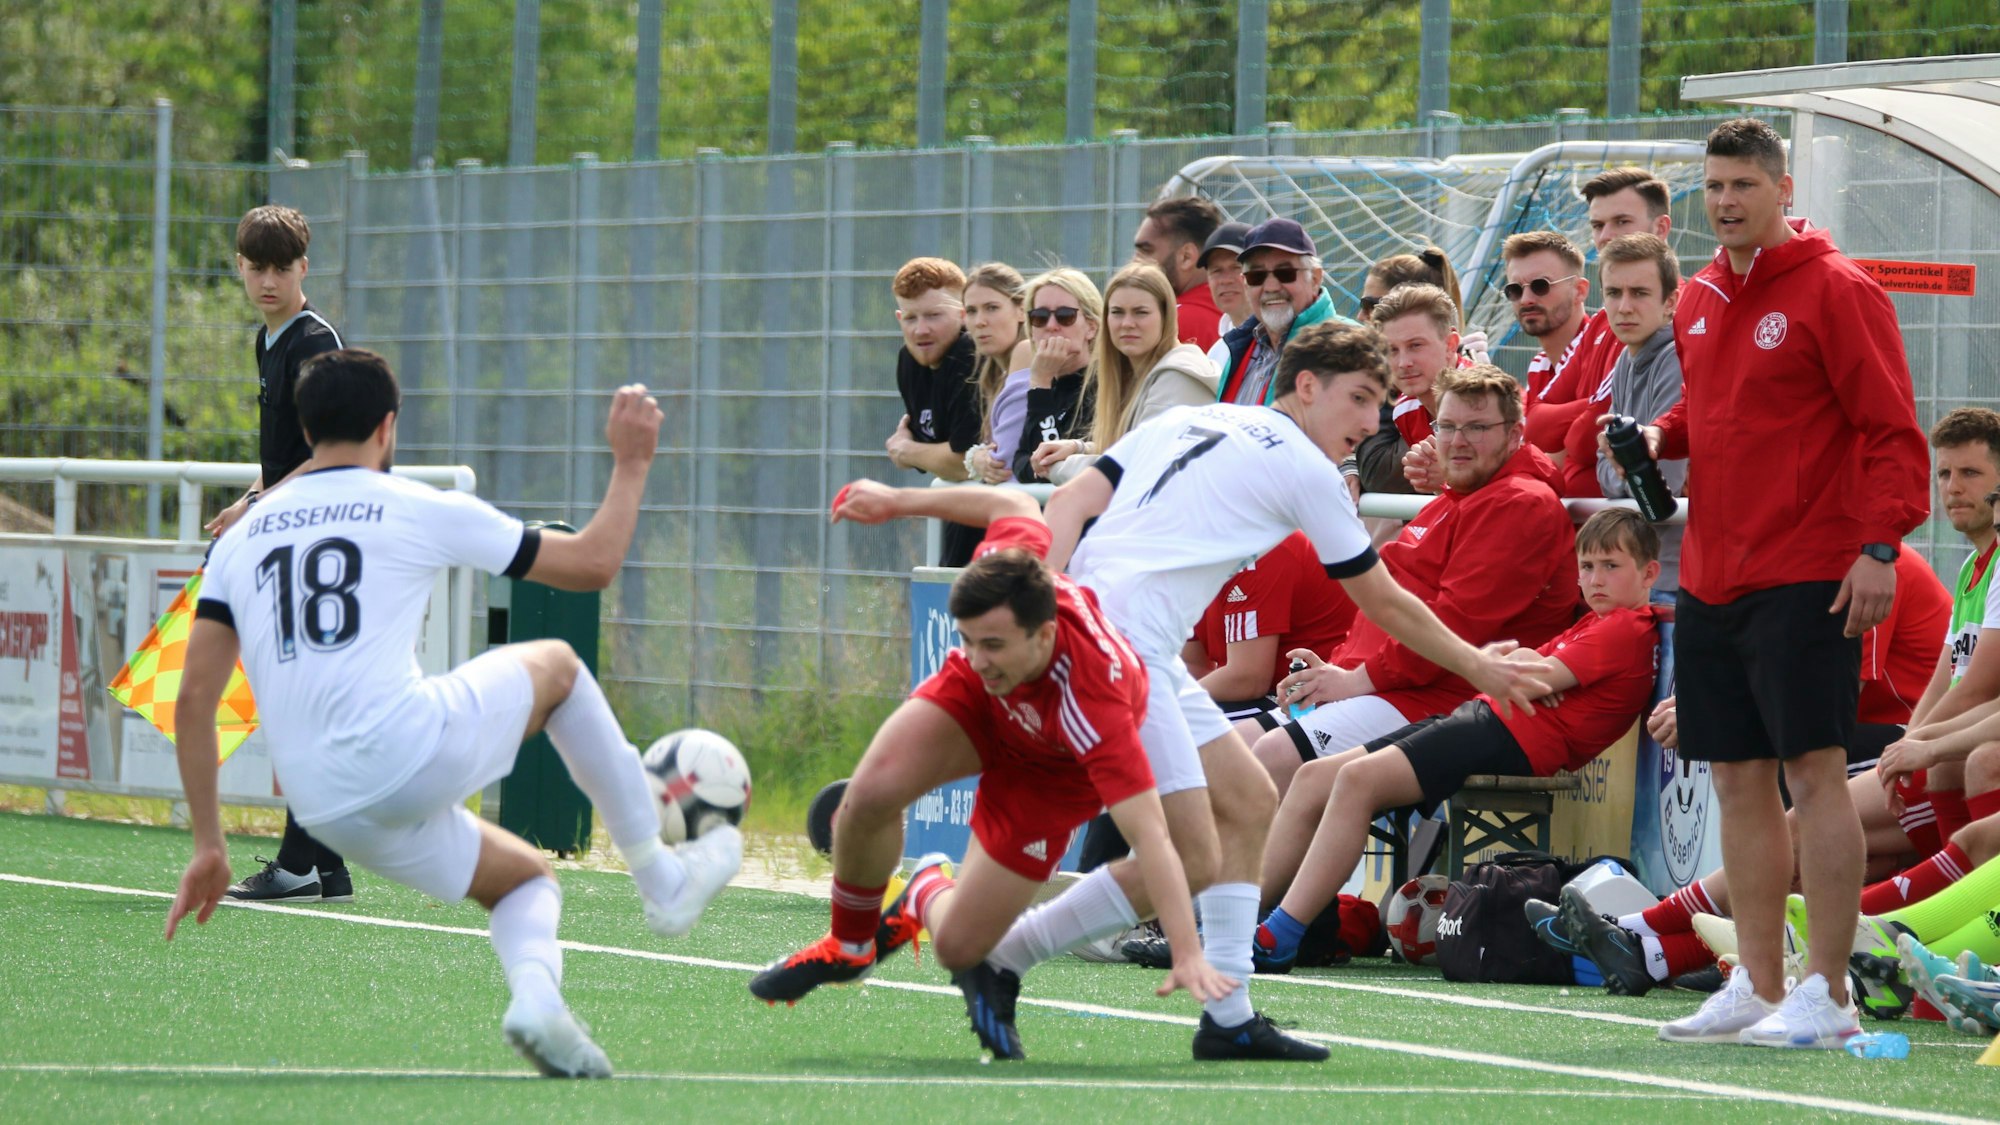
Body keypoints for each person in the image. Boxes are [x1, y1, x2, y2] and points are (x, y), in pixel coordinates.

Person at [957, 322, 1553, 1061]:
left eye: (1380, 403)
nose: (1371, 422)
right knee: (1203, 840)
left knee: (1245, 802)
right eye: (1361, 398)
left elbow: (1073, 498)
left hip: (1117, 637)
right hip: (1124, 648)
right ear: (1306, 387)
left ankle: (1221, 1009)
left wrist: (1046, 590)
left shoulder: (1187, 416)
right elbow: (1386, 604)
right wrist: (1482, 666)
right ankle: (1011, 954)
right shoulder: (1307, 470)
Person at [163, 351, 743, 1078]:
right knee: (558, 665)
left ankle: (540, 1003)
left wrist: (209, 843)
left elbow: (193, 699)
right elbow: (592, 563)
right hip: (400, 750)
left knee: (526, 880)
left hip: (322, 803)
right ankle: (660, 878)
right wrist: (632, 462)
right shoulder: (411, 503)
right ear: (388, 426)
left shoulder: (241, 537)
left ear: (306, 430)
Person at [1623, 117, 1929, 1049]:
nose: (1725, 202)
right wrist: (1659, 438)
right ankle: (1758, 983)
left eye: (1743, 186)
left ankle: (1827, 991)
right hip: (1713, 573)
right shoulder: (1705, 292)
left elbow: (1891, 428)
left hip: (1811, 571)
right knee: (1739, 781)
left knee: (1815, 774)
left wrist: (1879, 549)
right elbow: (1714, 408)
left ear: (1782, 190)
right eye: (1714, 186)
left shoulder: (1839, 288)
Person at [746, 482, 1232, 1059]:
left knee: (957, 948)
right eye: (968, 641)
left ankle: (924, 887)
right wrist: (899, 501)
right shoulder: (1006, 586)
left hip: (1048, 777)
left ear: (1045, 634)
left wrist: (1186, 950)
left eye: (993, 645)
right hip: (977, 709)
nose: (978, 658)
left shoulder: (1093, 699)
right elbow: (1013, 504)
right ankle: (850, 946)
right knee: (869, 795)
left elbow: (1151, 837)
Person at [1257, 510, 1665, 971]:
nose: (1595, 579)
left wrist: (1525, 673)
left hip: (1507, 735)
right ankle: (1244, 921)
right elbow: (1520, 670)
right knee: (1312, 777)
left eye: (1611, 566)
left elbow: (1523, 677)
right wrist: (1524, 671)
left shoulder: (1624, 626)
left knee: (1356, 780)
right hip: (1488, 719)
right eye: (1587, 567)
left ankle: (1278, 935)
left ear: (1650, 571)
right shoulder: (1598, 622)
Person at [1249, 365, 1577, 798]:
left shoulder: (1521, 503)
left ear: (1515, 434)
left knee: (1270, 758)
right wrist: (1343, 667)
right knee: (1227, 751)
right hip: (1391, 685)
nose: (1458, 442)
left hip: (1444, 699)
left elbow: (1452, 628)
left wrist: (1355, 679)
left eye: (1476, 428)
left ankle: (1245, 870)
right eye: (1448, 426)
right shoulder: (1458, 496)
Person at [204, 204, 355, 905]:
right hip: (290, 535)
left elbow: (335, 452)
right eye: (255, 265)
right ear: (239, 265)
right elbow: (290, 456)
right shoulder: (267, 342)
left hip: (326, 541)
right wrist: (247, 499)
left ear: (304, 268)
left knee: (305, 700)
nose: (268, 279)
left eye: (281, 267)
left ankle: (301, 861)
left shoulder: (313, 341)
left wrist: (263, 506)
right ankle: (324, 862)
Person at [1030, 262, 1216, 484]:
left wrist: (1058, 467)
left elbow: (1137, 468)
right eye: (1117, 312)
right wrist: (1078, 447)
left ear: (1165, 316)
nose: (1127, 323)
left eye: (1141, 312)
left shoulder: (1179, 375)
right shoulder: (1128, 375)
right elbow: (1128, 446)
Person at [1583, 233, 1687, 590]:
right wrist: (1629, 474)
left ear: (1670, 301)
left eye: (1639, 293)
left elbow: (1662, 487)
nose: (1624, 306)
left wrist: (1625, 471)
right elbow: (1606, 468)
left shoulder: (1677, 357)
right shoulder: (1626, 358)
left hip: (1676, 577)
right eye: (1613, 293)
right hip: (1647, 573)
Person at [887, 257, 985, 566]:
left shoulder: (970, 355)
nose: (921, 330)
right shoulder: (909, 363)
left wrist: (906, 451)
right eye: (911, 318)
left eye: (934, 315)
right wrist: (923, 453)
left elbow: (964, 463)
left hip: (1003, 523)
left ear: (964, 315)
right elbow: (939, 455)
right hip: (960, 515)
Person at [1213, 219, 1359, 407]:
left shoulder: (1351, 347)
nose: (1271, 286)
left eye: (1285, 273)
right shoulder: (1232, 349)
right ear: (1245, 283)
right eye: (1257, 276)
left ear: (1315, 278)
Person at [1012, 268, 1102, 483]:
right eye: (1040, 317)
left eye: (1065, 316)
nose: (1051, 326)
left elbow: (1049, 467)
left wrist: (1040, 383)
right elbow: (1020, 462)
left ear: (1090, 327)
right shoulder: (1043, 384)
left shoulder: (1104, 385)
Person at [960, 263, 1037, 485]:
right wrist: (976, 457)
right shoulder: (993, 373)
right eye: (971, 311)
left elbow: (1003, 464)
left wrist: (975, 458)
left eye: (992, 308)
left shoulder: (1028, 353)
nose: (979, 321)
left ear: (1021, 309)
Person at [1371, 283, 1460, 449]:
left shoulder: (1490, 400)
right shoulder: (1404, 410)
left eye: (1415, 345)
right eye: (1392, 350)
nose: (1404, 363)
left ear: (1450, 345)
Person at [1132, 196, 1225, 351]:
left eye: (1146, 251)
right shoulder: (1238, 315)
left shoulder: (1166, 323)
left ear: (1186, 257)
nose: (1135, 262)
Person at [1198, 221, 1254, 372]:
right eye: (1216, 271)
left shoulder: (1277, 341)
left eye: (1236, 268)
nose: (1225, 280)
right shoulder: (1216, 354)